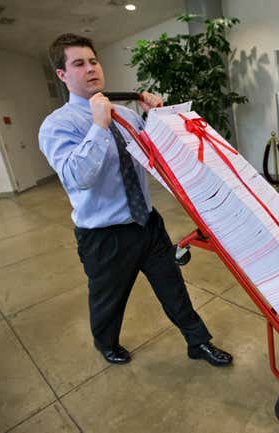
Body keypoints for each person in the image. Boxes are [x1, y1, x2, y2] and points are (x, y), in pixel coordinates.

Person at [39, 33, 232, 367]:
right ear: (62, 75)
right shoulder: (58, 125)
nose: (90, 69)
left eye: (93, 61)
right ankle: (106, 342)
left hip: (147, 223)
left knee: (173, 287)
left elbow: (157, 159)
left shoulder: (127, 116)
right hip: (105, 236)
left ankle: (197, 342)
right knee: (108, 300)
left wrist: (158, 119)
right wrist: (98, 125)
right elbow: (76, 177)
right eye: (79, 64)